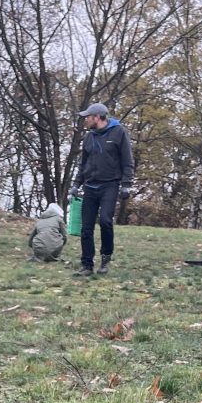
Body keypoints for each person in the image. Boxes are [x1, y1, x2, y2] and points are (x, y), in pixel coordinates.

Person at [70, 103, 134, 276]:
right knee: (86, 228)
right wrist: (76, 184)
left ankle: (106, 257)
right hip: (90, 185)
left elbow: (127, 160)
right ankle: (87, 265)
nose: (85, 120)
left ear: (96, 117)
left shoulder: (119, 132)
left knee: (106, 221)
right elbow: (82, 164)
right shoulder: (88, 138)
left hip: (110, 185)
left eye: (87, 117)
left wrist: (126, 184)